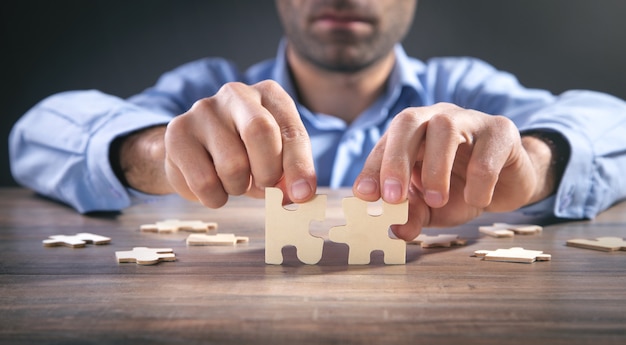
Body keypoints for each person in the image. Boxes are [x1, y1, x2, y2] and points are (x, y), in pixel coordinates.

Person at [9, 0, 626, 241]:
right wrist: (151, 153)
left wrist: (540, 162)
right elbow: (36, 130)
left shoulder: (464, 91)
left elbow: (611, 120)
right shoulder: (206, 91)